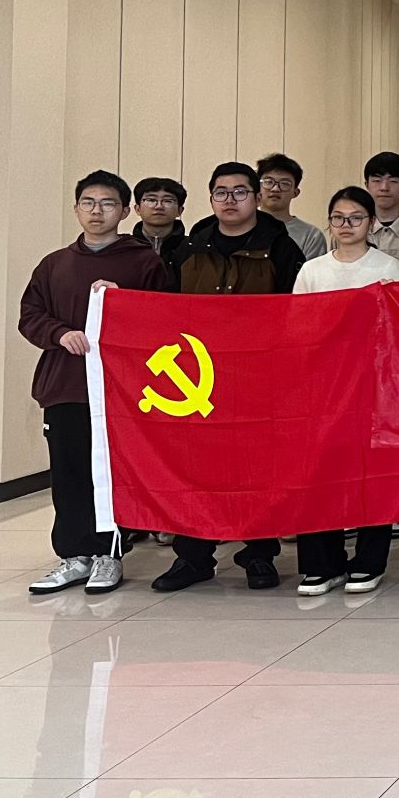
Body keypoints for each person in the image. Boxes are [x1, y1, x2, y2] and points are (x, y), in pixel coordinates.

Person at [151, 162, 308, 592]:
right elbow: (163, 307)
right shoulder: (188, 247)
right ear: (210, 198)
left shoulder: (281, 248)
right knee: (195, 468)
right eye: (221, 192)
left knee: (257, 467)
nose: (230, 200)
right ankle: (193, 555)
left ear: (256, 197)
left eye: (240, 192)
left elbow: (297, 311)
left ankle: (258, 554)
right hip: (198, 376)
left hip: (260, 375)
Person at [20, 171, 169, 596]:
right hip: (66, 385)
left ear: (124, 212)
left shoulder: (143, 262)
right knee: (68, 473)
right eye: (88, 202)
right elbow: (30, 315)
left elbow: (163, 318)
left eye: (107, 203)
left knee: (109, 473)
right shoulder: (54, 264)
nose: (97, 211)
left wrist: (123, 301)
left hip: (120, 391)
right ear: (76, 209)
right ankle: (74, 554)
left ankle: (109, 553)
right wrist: (58, 333)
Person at [290, 186, 399, 594]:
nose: (346, 225)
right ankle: (322, 563)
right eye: (338, 218)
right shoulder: (312, 270)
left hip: (372, 386)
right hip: (321, 387)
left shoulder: (388, 267)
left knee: (372, 475)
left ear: (371, 223)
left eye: (356, 218)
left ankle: (370, 561)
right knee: (318, 473)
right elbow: (296, 327)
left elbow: (396, 327)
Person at [257, 152, 327, 260]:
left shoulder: (311, 236)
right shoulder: (240, 227)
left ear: (296, 192)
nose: (275, 189)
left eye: (285, 183)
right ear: (257, 187)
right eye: (269, 182)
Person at [130, 175, 191, 287]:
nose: (159, 206)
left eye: (167, 201)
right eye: (151, 200)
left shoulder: (192, 248)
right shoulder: (126, 248)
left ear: (180, 210)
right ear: (138, 209)